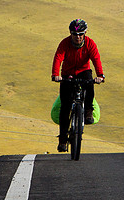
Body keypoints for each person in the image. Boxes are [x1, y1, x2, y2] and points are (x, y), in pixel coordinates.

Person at [52, 18, 105, 152]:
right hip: (67, 74)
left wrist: (100, 75)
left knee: (89, 84)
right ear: (71, 34)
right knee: (65, 107)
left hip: (83, 71)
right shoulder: (64, 43)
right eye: (75, 34)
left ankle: (88, 112)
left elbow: (96, 58)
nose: (78, 37)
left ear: (85, 33)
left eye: (81, 34)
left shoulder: (90, 43)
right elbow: (58, 57)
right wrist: (55, 74)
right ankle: (63, 140)